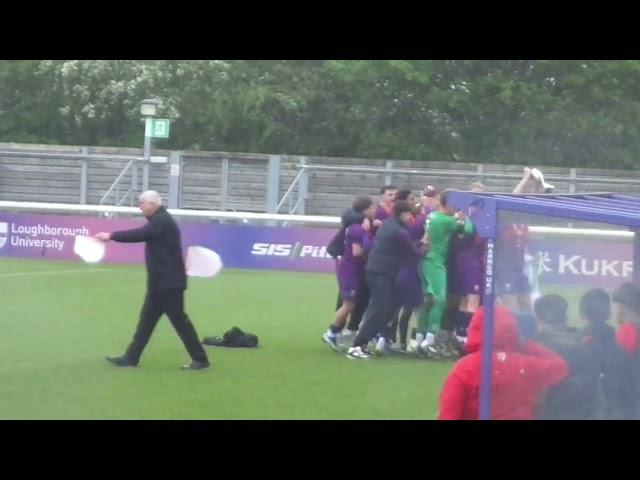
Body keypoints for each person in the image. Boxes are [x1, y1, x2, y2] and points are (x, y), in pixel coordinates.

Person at [96, 190, 210, 371]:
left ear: (153, 204)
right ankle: (131, 358)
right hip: (161, 282)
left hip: (167, 283)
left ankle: (201, 360)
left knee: (179, 322)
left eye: (142, 202)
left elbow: (140, 234)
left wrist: (111, 236)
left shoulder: (161, 221)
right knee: (147, 322)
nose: (139, 206)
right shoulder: (160, 220)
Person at [438, 305, 569, 420]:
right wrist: (527, 345)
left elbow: (449, 414)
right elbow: (560, 367)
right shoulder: (526, 365)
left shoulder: (466, 367)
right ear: (513, 330)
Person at [346, 201, 426, 360]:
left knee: (384, 310)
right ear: (403, 214)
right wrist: (425, 246)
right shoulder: (399, 231)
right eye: (410, 214)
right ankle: (356, 346)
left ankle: (362, 343)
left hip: (378, 271)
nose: (411, 217)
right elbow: (413, 252)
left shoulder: (389, 225)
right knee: (380, 310)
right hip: (381, 273)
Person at [415, 190, 473, 357]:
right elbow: (468, 230)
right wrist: (467, 216)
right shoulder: (445, 220)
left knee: (428, 302)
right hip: (435, 262)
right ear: (447, 204)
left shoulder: (433, 216)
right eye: (455, 206)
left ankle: (420, 339)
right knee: (439, 301)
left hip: (426, 260)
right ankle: (429, 341)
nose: (456, 209)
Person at [533, 295, 602, 420]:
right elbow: (596, 396)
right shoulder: (585, 346)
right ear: (565, 318)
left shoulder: (532, 350)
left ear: (538, 319)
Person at [322, 196, 375, 350]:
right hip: (350, 269)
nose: (374, 211)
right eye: (371, 208)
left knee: (350, 303)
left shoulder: (354, 226)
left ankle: (334, 333)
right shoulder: (358, 228)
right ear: (365, 210)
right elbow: (357, 252)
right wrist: (371, 247)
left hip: (350, 268)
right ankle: (331, 332)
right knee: (348, 304)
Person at [580, 288, 636, 419]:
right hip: (618, 408)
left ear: (582, 313)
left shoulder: (574, 343)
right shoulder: (619, 343)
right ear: (609, 314)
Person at [385, 189, 426, 352]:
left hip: (402, 268)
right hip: (405, 269)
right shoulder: (405, 227)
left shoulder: (399, 224)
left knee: (401, 308)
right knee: (404, 307)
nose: (415, 201)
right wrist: (423, 245)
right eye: (411, 199)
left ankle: (395, 341)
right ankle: (395, 341)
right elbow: (412, 248)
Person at [449, 182, 486, 345]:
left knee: (465, 300)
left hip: (465, 262)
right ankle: (468, 337)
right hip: (471, 263)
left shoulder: (465, 215)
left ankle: (460, 335)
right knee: (473, 299)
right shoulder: (467, 217)